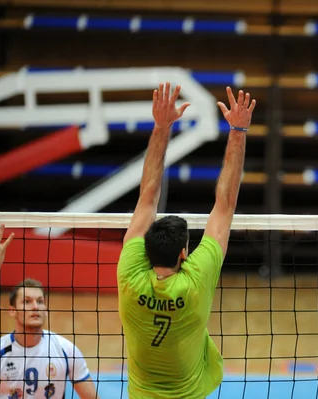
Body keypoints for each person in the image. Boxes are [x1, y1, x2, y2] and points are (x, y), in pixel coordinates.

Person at [117, 82, 255, 398]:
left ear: (145, 250)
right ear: (184, 253)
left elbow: (148, 195)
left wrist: (161, 126)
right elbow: (225, 203)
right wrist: (238, 131)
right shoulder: (194, 284)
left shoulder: (130, 276)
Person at [0, 279, 100, 399]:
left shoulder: (66, 350)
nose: (36, 307)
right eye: (27, 301)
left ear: (46, 310)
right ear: (12, 311)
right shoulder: (1, 350)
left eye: (40, 302)